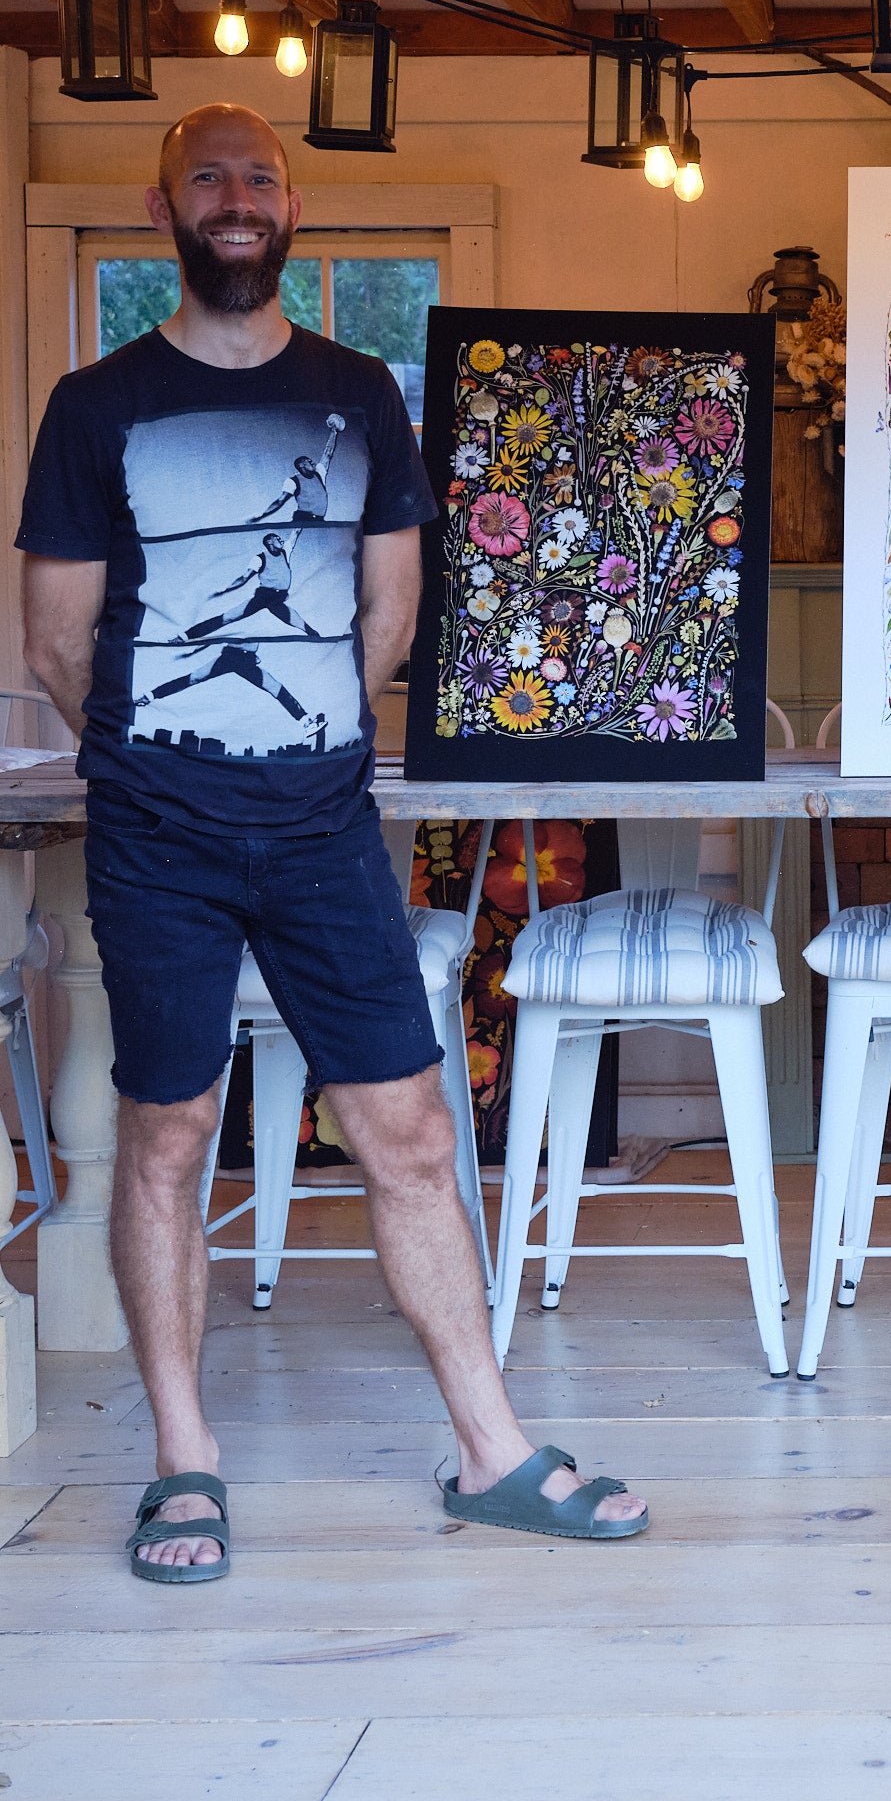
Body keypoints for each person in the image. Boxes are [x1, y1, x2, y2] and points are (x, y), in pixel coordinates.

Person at [17, 103, 647, 1582]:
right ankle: (185, 1458)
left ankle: (492, 1451)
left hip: (321, 830)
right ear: (164, 201)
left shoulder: (359, 391)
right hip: (156, 832)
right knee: (167, 1135)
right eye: (209, 177)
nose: (236, 199)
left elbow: (391, 614)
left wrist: (297, 737)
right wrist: (173, 746)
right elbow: (57, 641)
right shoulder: (95, 406)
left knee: (412, 1135)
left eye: (260, 177)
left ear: (290, 205)